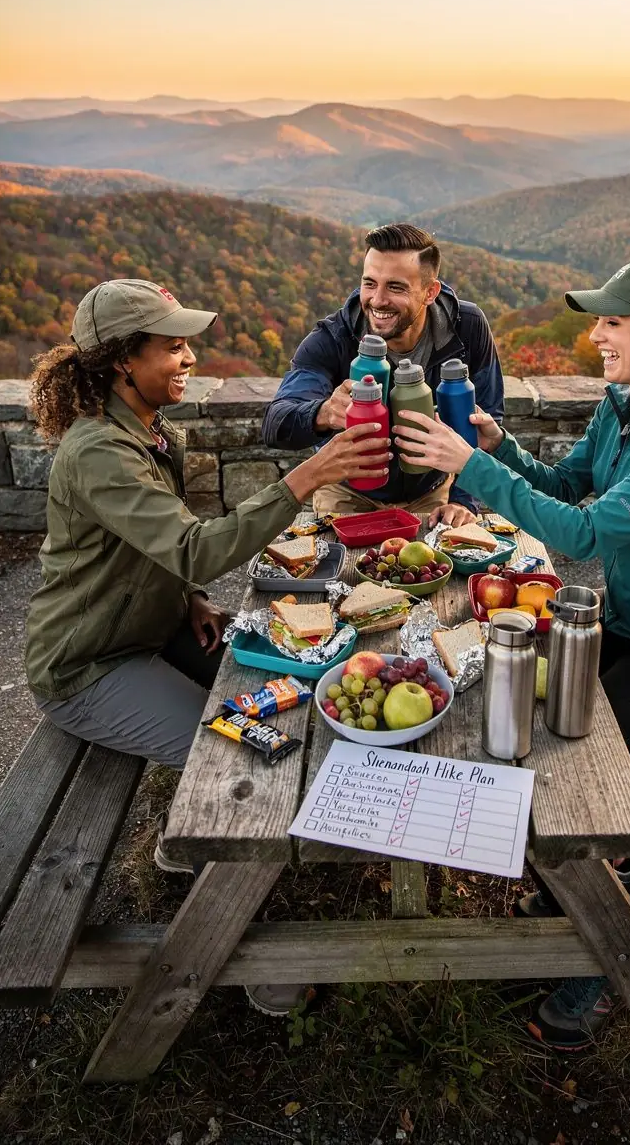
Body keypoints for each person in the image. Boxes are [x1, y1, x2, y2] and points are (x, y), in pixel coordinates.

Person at [393, 258, 630, 1050]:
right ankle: (575, 889)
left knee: (573, 764)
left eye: (611, 323)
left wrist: (469, 464)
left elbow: (584, 533)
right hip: (628, 626)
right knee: (516, 706)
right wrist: (500, 445)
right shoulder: (625, 404)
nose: (593, 334)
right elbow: (566, 485)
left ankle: (605, 952)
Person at [24, 278, 390, 1014]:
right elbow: (191, 546)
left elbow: (150, 548)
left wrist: (186, 599)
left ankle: (180, 846)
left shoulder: (146, 429)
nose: (189, 357)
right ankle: (245, 955)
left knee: (281, 686)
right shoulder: (101, 451)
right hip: (88, 666)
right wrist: (307, 475)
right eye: (172, 346)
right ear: (122, 360)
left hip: (149, 629)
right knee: (235, 752)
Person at [262, 222, 504, 527]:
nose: (377, 300)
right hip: (345, 494)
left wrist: (463, 498)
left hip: (433, 492)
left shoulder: (466, 327)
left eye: (396, 287)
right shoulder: (333, 338)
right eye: (369, 283)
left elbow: (487, 416)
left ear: (430, 291)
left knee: (440, 571)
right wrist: (322, 413)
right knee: (346, 573)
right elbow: (275, 424)